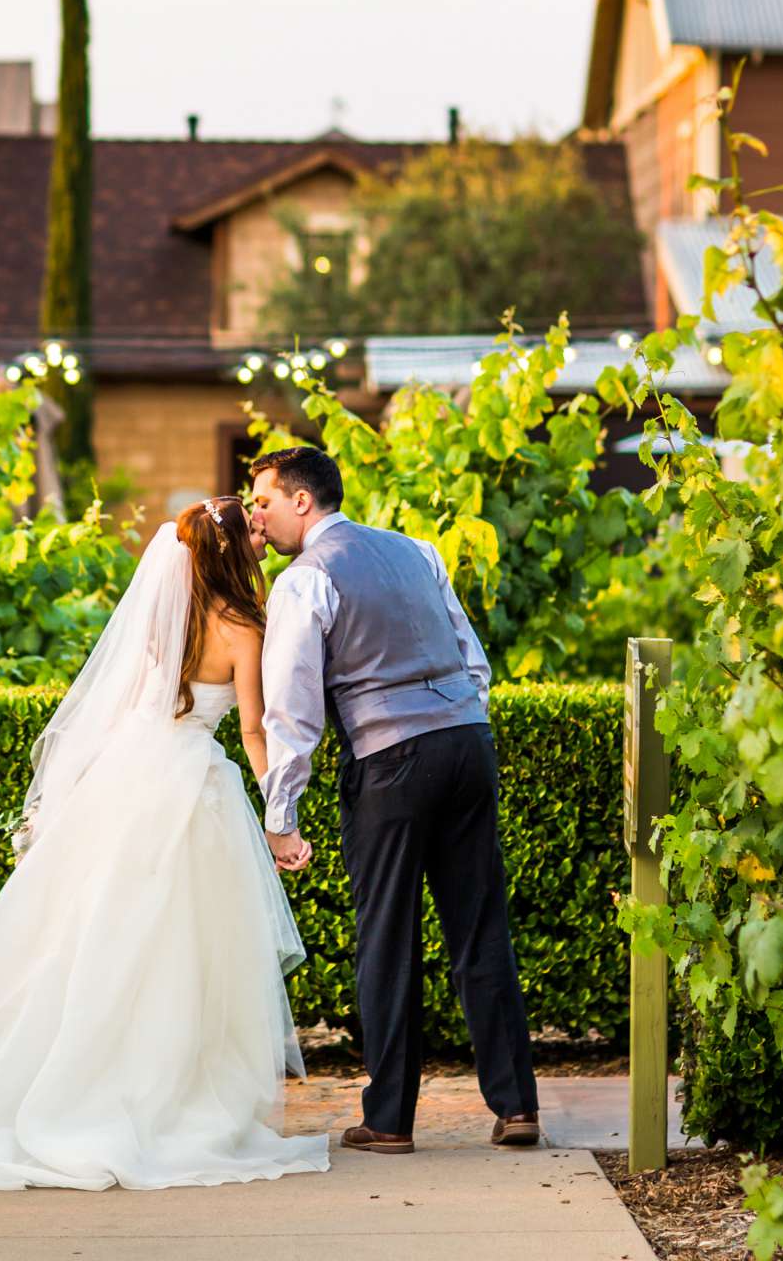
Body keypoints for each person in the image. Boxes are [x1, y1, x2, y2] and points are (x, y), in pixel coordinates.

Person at [0, 497, 331, 1189]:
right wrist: (278, 816)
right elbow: (255, 730)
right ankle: (166, 1095)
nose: (262, 538)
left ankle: (81, 1080)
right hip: (190, 789)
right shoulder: (242, 629)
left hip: (127, 777)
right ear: (234, 554)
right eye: (252, 532)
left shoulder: (157, 621)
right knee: (180, 951)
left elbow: (118, 704)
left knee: (91, 939)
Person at [246, 445, 540, 1155]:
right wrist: (461, 724)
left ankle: (388, 1120)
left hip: (389, 759)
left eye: (263, 501)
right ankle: (517, 1107)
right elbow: (474, 660)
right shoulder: (418, 552)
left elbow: (291, 710)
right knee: (480, 928)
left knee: (387, 936)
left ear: (302, 501)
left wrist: (279, 813)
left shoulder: (304, 580)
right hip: (467, 742)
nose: (258, 516)